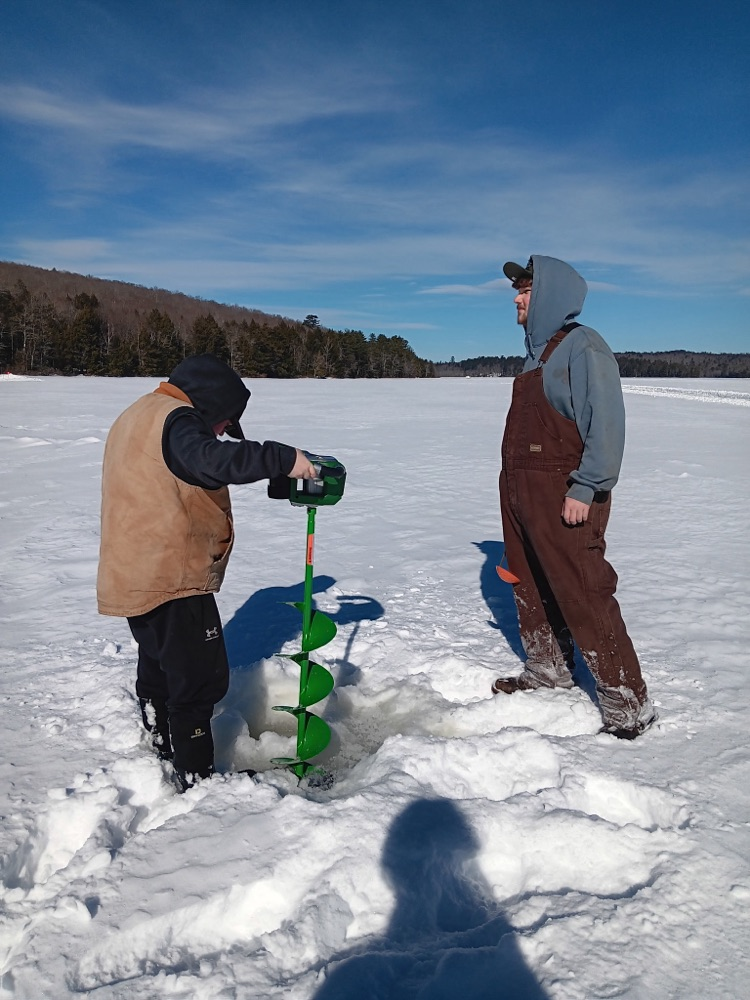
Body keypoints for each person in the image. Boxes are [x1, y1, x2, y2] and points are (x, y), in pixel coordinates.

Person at [97, 353, 317, 788]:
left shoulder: (141, 412)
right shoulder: (178, 421)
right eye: (224, 423)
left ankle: (162, 742)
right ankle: (199, 782)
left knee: (160, 666)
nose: (222, 433)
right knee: (198, 682)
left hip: (135, 573)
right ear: (211, 403)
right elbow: (212, 461)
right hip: (172, 576)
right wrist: (282, 458)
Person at [493, 255, 656, 739]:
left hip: (566, 490)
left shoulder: (583, 347)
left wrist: (587, 486)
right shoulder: (536, 354)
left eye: (525, 289)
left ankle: (628, 702)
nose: (517, 297)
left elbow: (606, 424)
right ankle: (549, 668)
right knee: (529, 581)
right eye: (517, 290)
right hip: (522, 490)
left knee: (584, 591)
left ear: (549, 295)